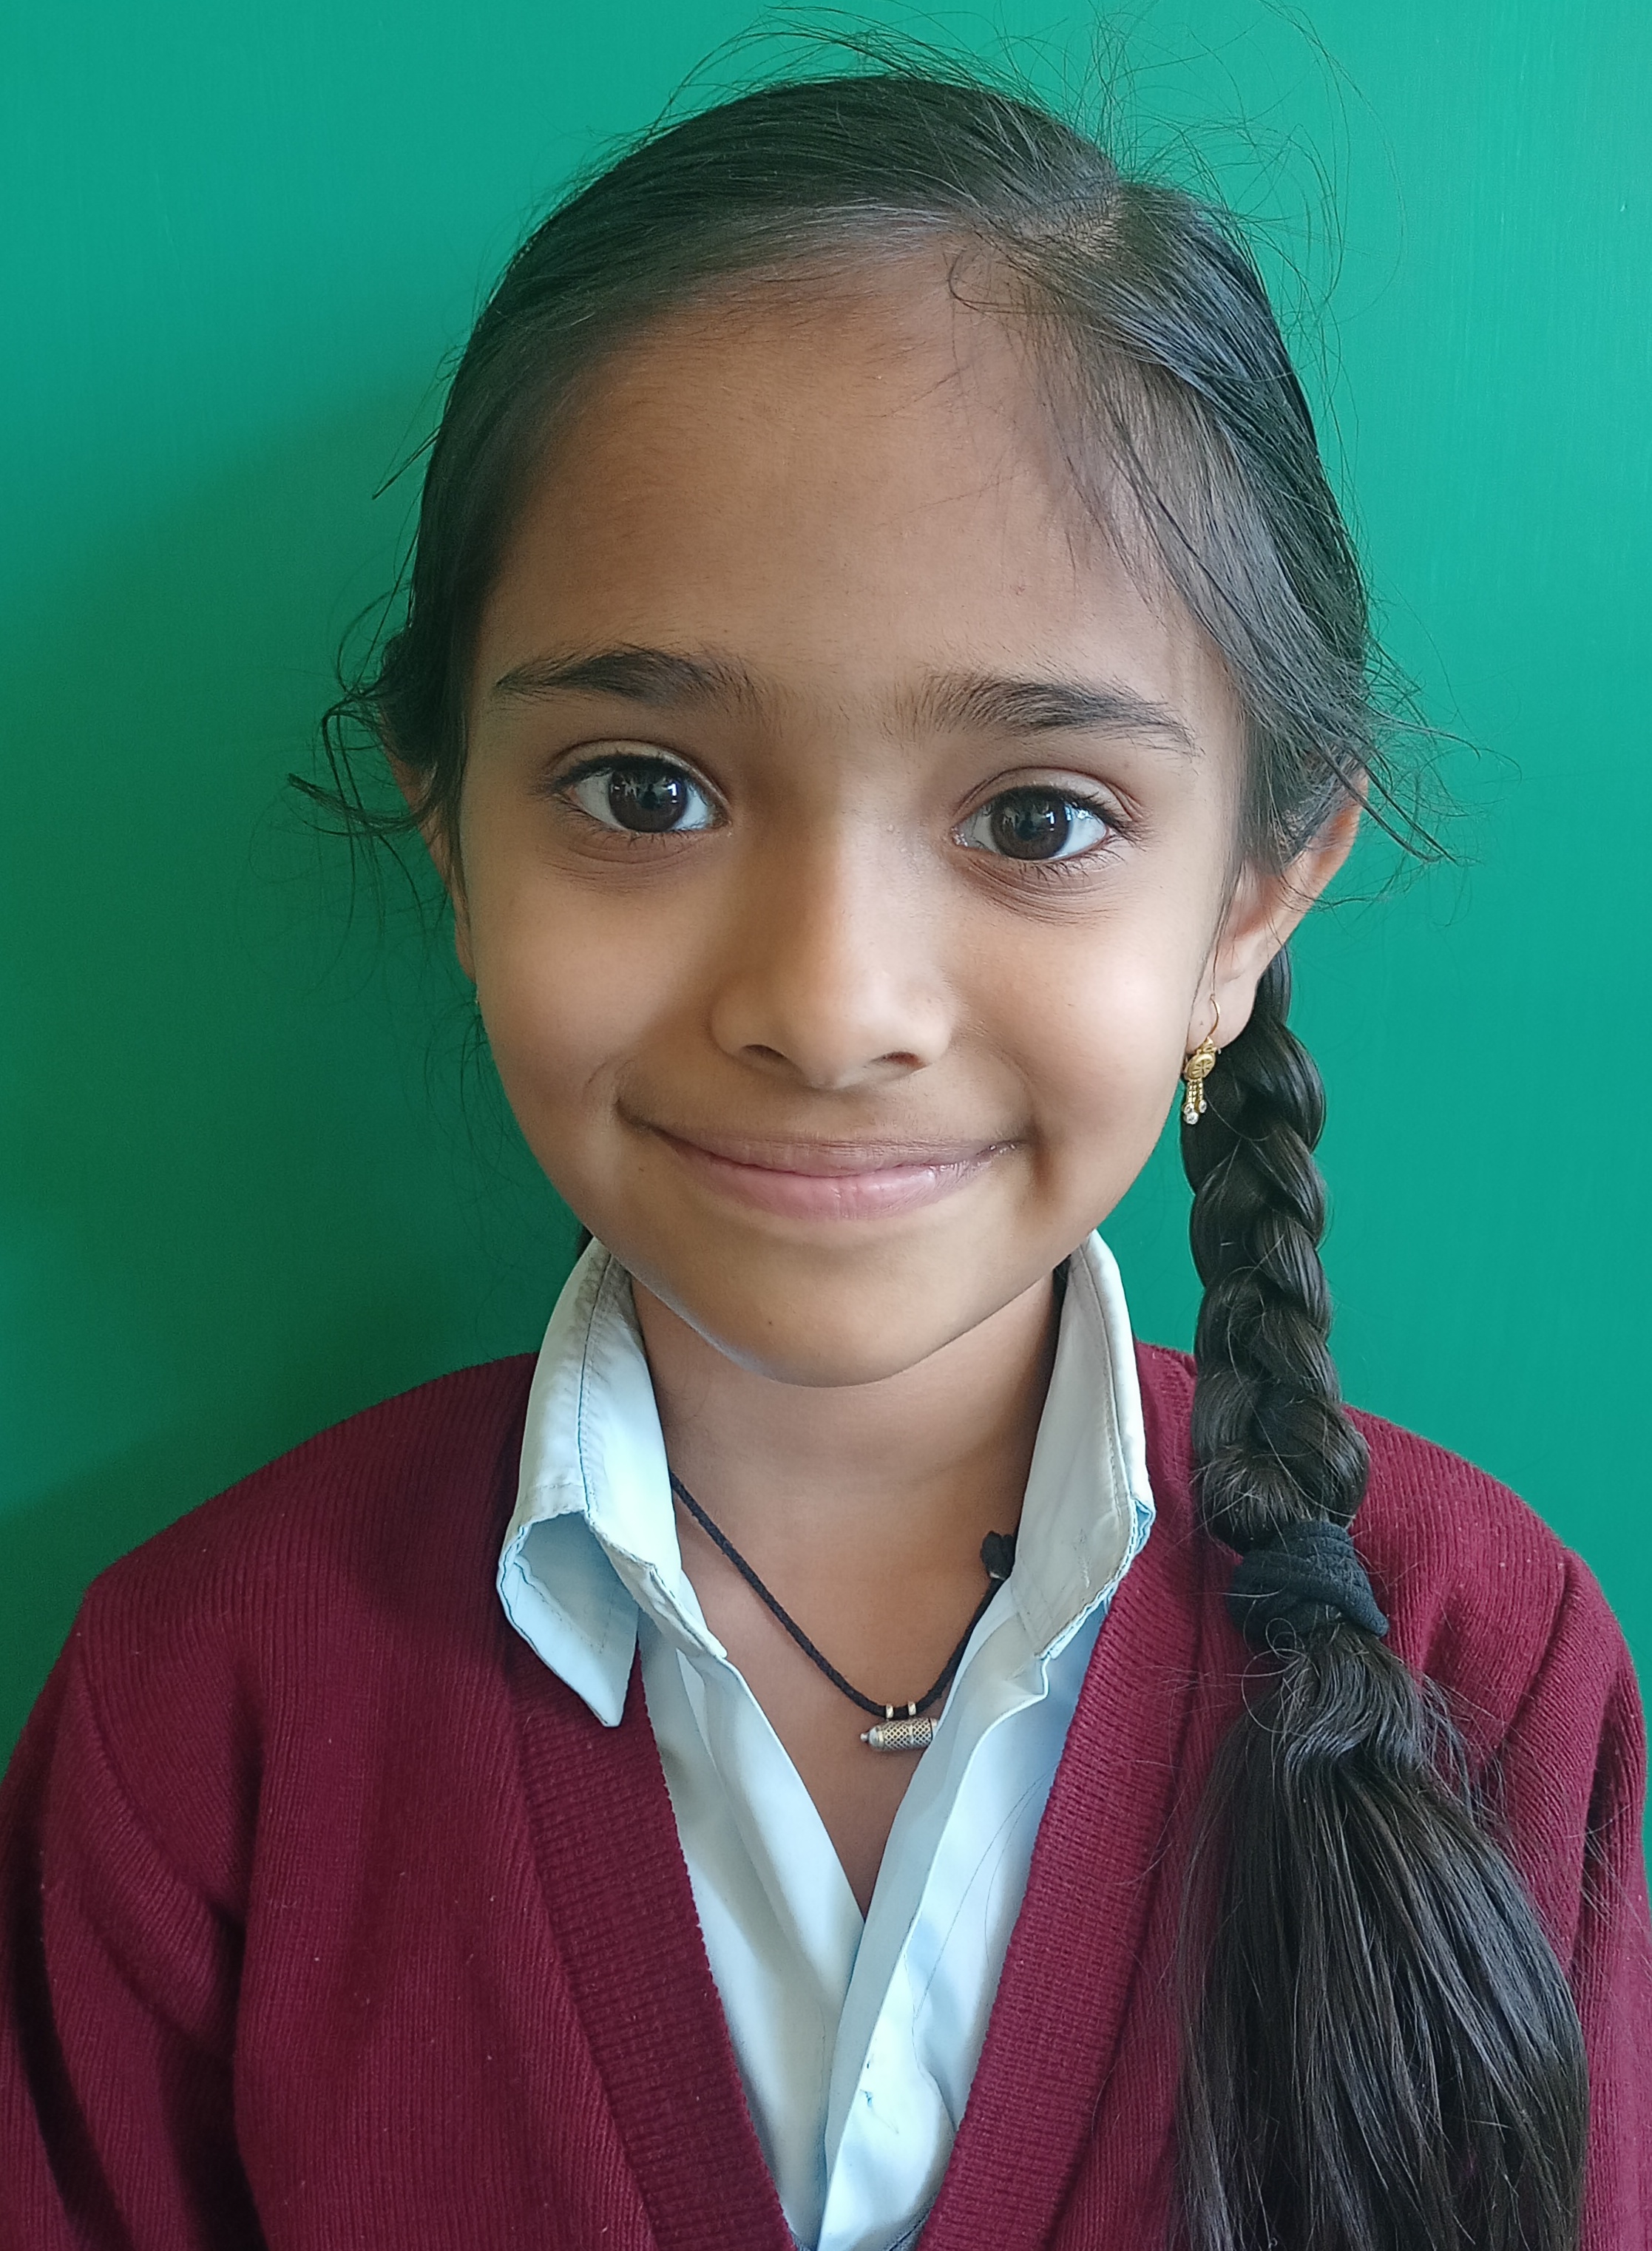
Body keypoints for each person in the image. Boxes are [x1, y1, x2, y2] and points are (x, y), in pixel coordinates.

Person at [1, 64, 1647, 2251]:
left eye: (1037, 817)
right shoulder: (205, 1714)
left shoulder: (1484, 1667)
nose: (829, 1002)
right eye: (644, 789)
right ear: (449, 828)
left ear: (1250, 907)